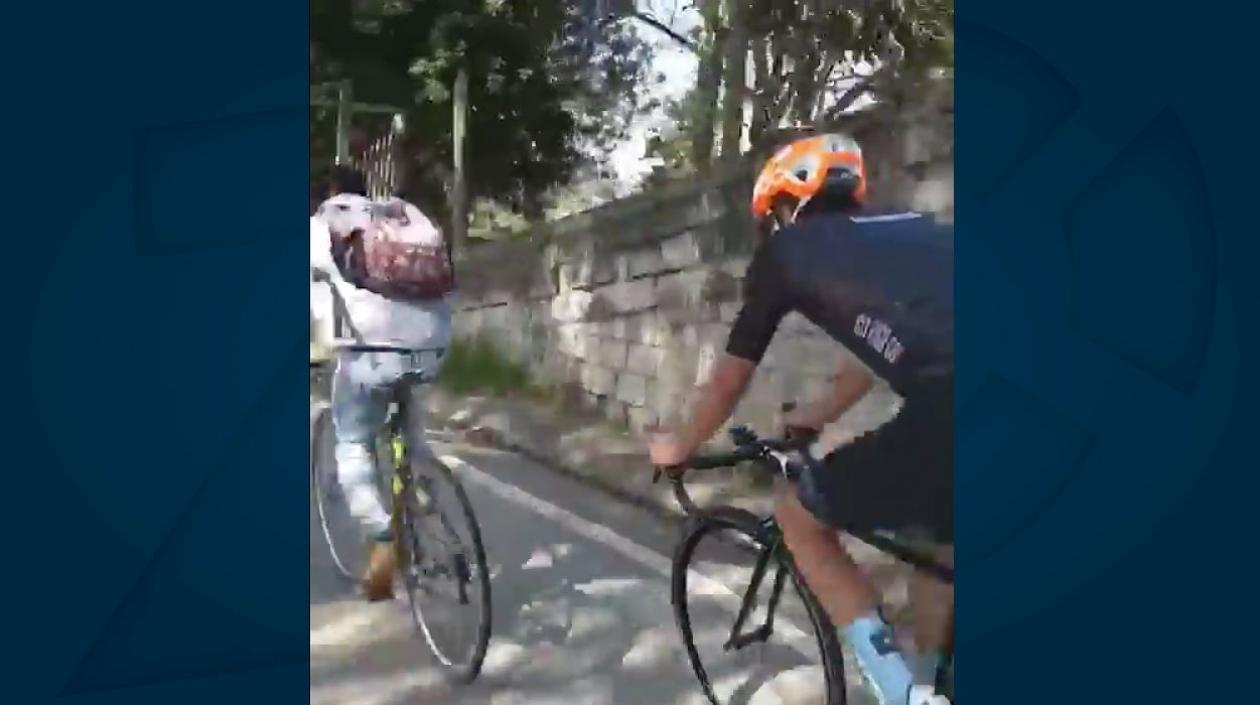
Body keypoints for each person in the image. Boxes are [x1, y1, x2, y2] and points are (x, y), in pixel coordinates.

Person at [647, 133, 953, 704]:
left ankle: (905, 696)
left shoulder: (786, 252)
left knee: (798, 516)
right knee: (939, 536)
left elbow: (730, 377)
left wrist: (679, 445)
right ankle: (933, 678)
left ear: (787, 206)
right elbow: (878, 350)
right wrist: (816, 413)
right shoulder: (912, 226)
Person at [310, 167, 453, 601]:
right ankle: (421, 495)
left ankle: (383, 541)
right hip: (433, 348)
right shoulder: (402, 216)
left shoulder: (322, 226)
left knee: (352, 441)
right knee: (412, 437)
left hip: (372, 357)